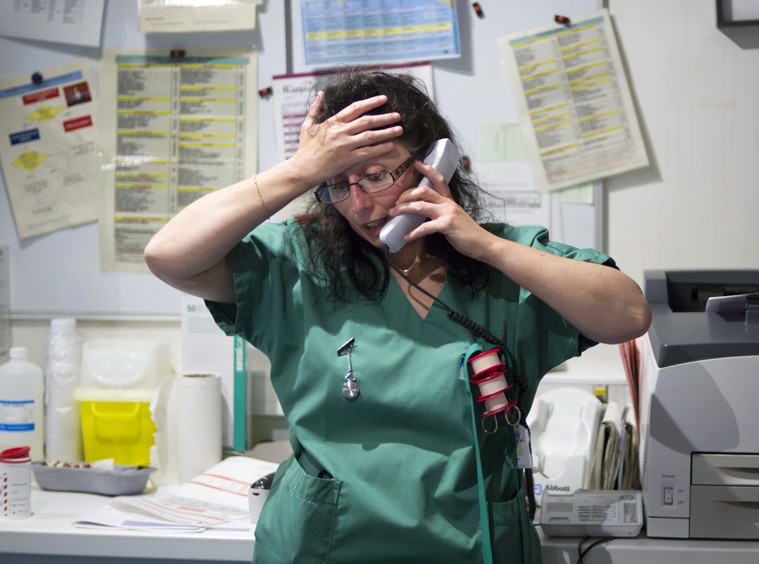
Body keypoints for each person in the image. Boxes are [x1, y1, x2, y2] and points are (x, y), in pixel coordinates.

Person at [144, 69, 652, 564]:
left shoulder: (507, 264)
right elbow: (168, 256)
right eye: (337, 184)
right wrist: (300, 170)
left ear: (436, 160)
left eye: (375, 174)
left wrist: (485, 245)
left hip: (472, 547)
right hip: (324, 548)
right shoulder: (295, 264)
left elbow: (627, 314)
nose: (361, 205)